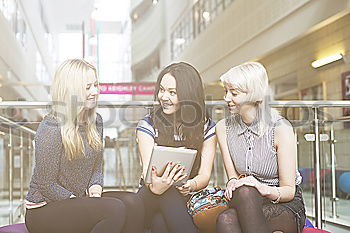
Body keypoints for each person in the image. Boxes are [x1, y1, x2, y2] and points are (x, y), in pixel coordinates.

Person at [24, 59, 142, 233]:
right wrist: (81, 202)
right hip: (44, 209)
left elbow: (96, 167)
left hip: (77, 199)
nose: (95, 91)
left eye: (96, 85)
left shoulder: (96, 121)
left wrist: (95, 189)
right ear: (71, 90)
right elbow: (45, 184)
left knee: (134, 203)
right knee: (114, 209)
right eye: (87, 87)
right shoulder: (51, 126)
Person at [215, 62, 306, 233]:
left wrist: (261, 187)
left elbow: (289, 191)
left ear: (255, 95)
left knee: (227, 218)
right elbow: (233, 178)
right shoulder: (222, 128)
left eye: (233, 93)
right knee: (241, 196)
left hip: (283, 203)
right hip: (246, 200)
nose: (226, 98)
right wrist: (233, 183)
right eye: (226, 91)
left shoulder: (281, 129)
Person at [136, 62, 217, 233]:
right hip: (149, 195)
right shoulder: (148, 124)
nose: (164, 97)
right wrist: (156, 186)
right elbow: (146, 172)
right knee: (166, 192)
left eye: (172, 92)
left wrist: (190, 185)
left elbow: (204, 175)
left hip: (182, 197)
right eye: (162, 90)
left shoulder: (207, 127)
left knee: (161, 224)